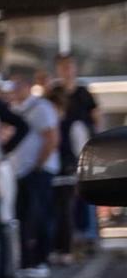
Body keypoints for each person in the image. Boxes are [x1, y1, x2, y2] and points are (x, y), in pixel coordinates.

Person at [5, 67, 59, 278]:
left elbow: (51, 138)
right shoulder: (12, 109)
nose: (14, 89)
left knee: (39, 214)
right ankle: (26, 259)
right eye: (12, 85)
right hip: (17, 171)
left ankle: (41, 258)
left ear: (28, 86)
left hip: (39, 171)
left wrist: (38, 165)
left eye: (18, 84)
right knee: (22, 216)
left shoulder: (41, 107)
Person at [51, 52, 97, 262]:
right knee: (66, 198)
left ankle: (88, 237)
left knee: (87, 191)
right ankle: (70, 240)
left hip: (83, 148)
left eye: (70, 66)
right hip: (61, 152)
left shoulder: (83, 93)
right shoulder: (54, 92)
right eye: (63, 67)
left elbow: (96, 117)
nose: (67, 71)